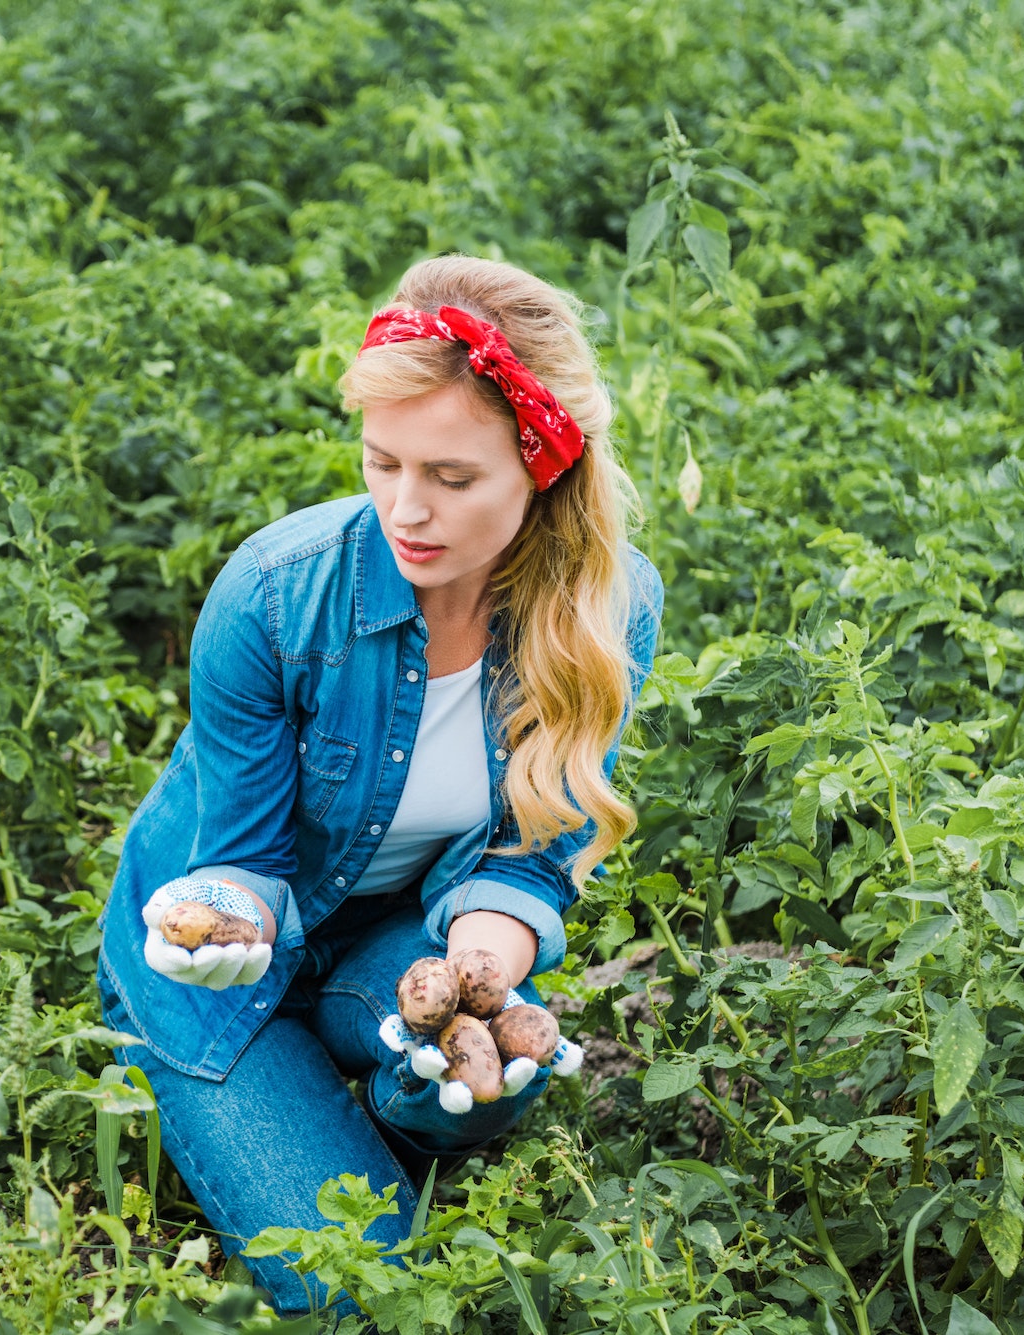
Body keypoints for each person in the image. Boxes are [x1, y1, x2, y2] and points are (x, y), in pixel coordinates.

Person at [95, 254, 663, 1316]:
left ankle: (403, 1102)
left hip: (392, 941)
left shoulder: (604, 608)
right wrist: (213, 919)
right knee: (364, 1290)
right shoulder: (274, 597)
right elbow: (246, 858)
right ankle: (307, 1099)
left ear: (541, 466)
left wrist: (479, 970)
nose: (406, 508)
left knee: (482, 1092)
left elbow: (527, 854)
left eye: (451, 478)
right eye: (381, 463)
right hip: (228, 977)